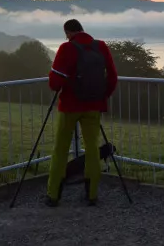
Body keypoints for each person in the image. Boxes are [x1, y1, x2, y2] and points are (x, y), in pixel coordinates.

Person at [46, 19, 118, 207]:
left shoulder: (66, 48)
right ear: (82, 30)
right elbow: (112, 77)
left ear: (68, 33)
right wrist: (102, 96)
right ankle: (92, 194)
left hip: (70, 106)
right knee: (93, 149)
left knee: (60, 149)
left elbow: (54, 83)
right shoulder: (100, 46)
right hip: (94, 106)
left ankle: (53, 195)